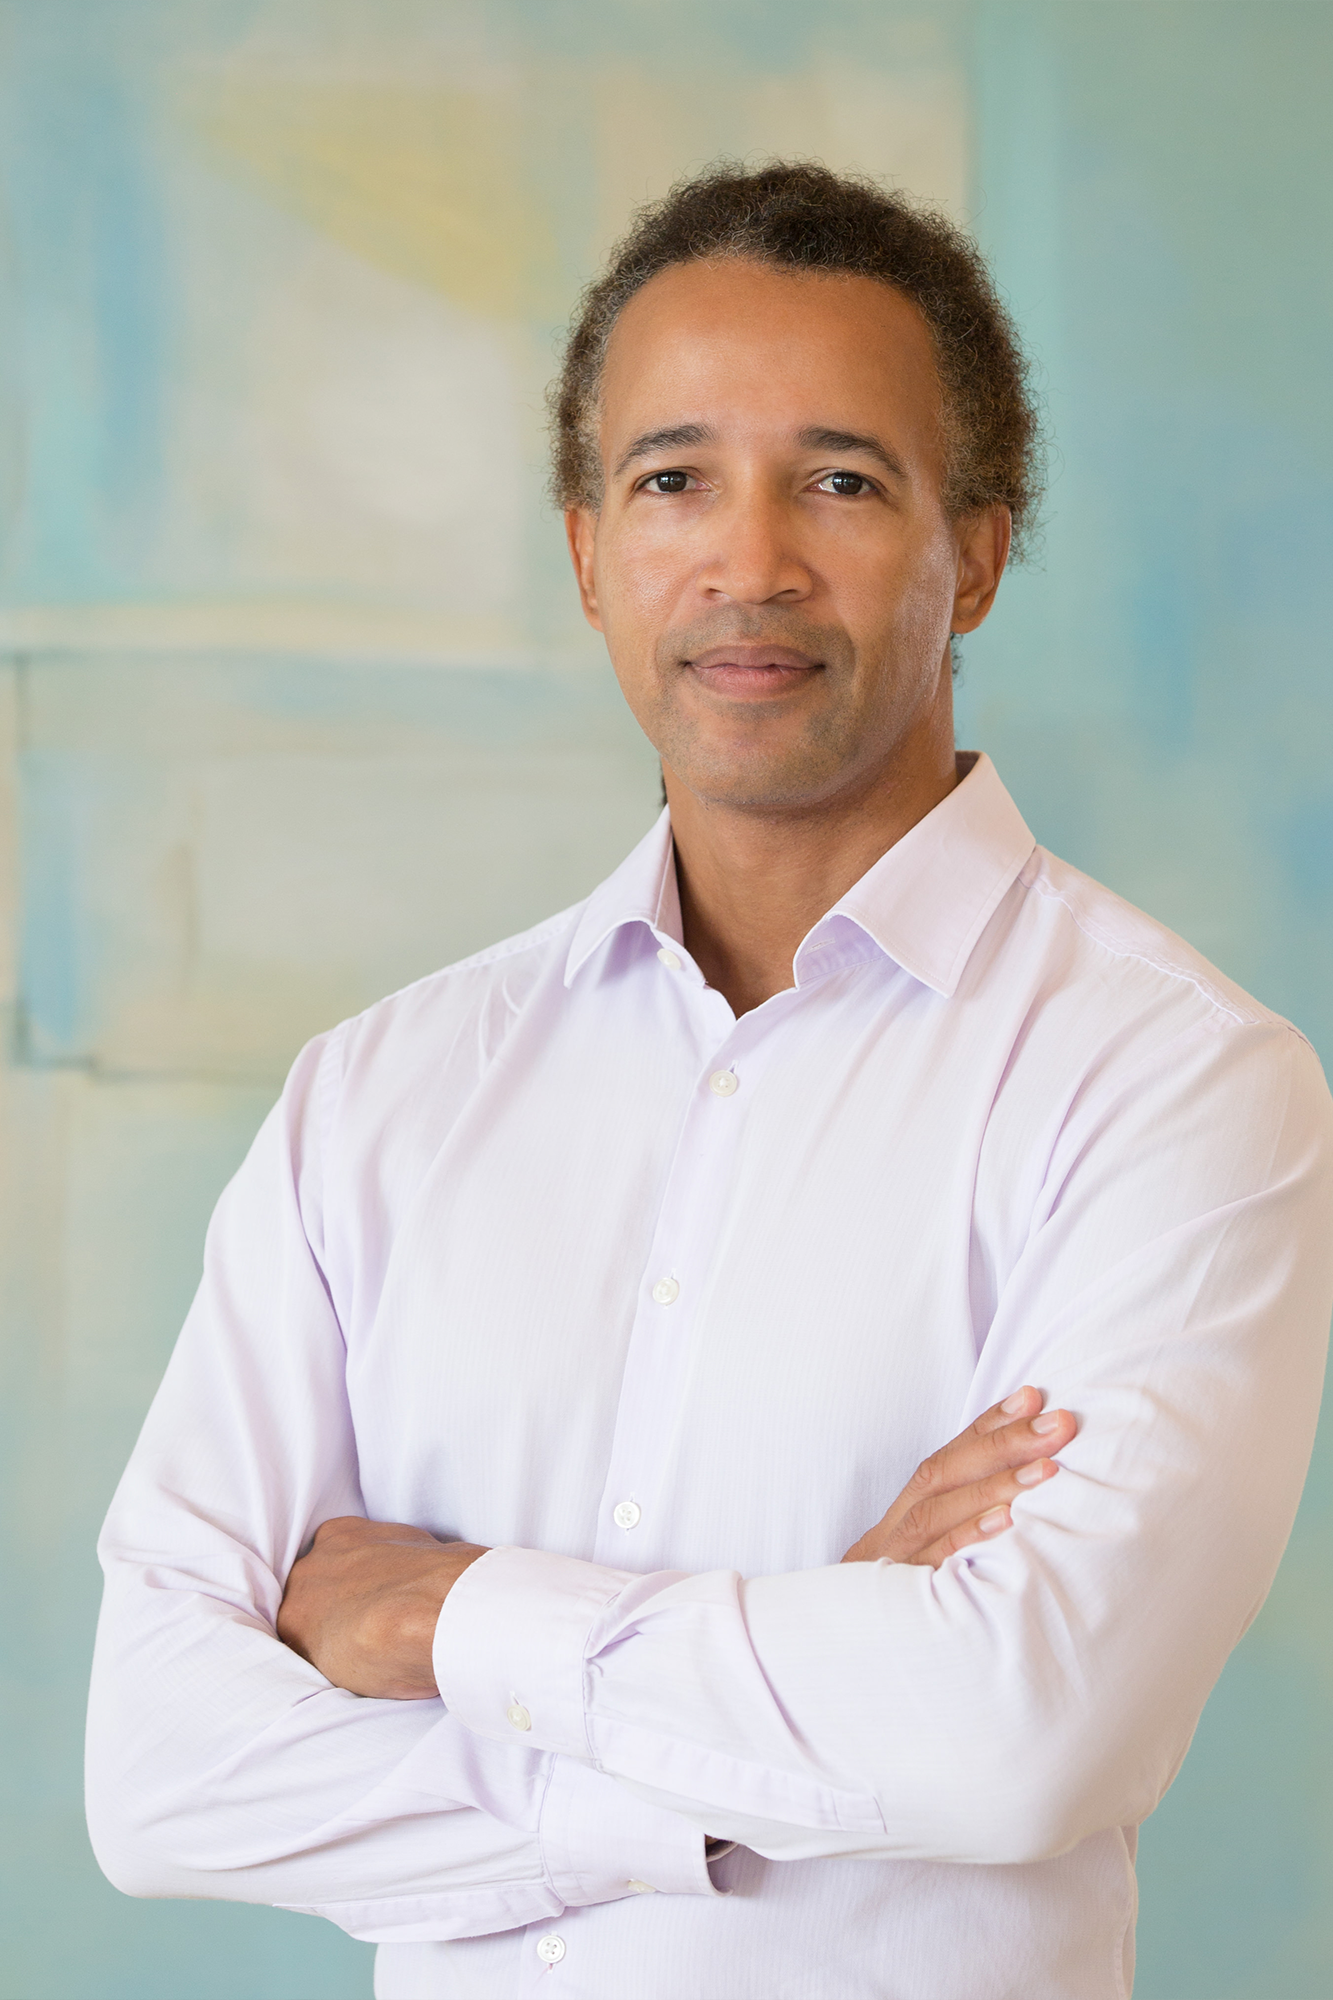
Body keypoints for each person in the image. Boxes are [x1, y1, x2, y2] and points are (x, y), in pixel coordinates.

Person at [86, 163, 1333, 2000]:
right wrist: (808, 1677)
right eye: (674, 481)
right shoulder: (381, 1097)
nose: (750, 566)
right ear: (589, 552)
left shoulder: (1176, 1086)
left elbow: (1016, 1740)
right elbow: (162, 1777)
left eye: (841, 482)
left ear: (978, 554)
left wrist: (452, 1616)